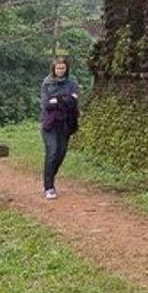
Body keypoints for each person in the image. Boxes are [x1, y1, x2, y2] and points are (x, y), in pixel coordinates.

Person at [40, 55, 81, 199]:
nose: (60, 71)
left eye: (63, 68)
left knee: (61, 153)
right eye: (58, 68)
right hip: (50, 124)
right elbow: (46, 104)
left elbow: (73, 100)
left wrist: (58, 99)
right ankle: (49, 187)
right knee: (52, 152)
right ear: (53, 69)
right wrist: (62, 99)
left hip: (65, 123)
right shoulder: (47, 82)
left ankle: (50, 175)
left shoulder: (72, 81)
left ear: (67, 68)